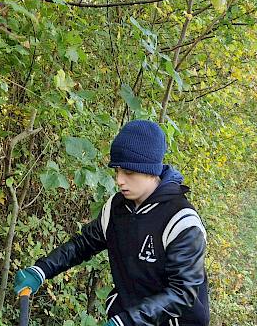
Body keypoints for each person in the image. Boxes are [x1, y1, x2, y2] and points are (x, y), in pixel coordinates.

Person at [14, 120, 210, 326]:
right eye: (117, 171)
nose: (119, 180)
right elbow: (83, 245)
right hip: (127, 316)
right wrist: (42, 270)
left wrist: (128, 321)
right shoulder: (116, 207)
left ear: (151, 171)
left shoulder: (181, 221)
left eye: (128, 173)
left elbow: (183, 293)